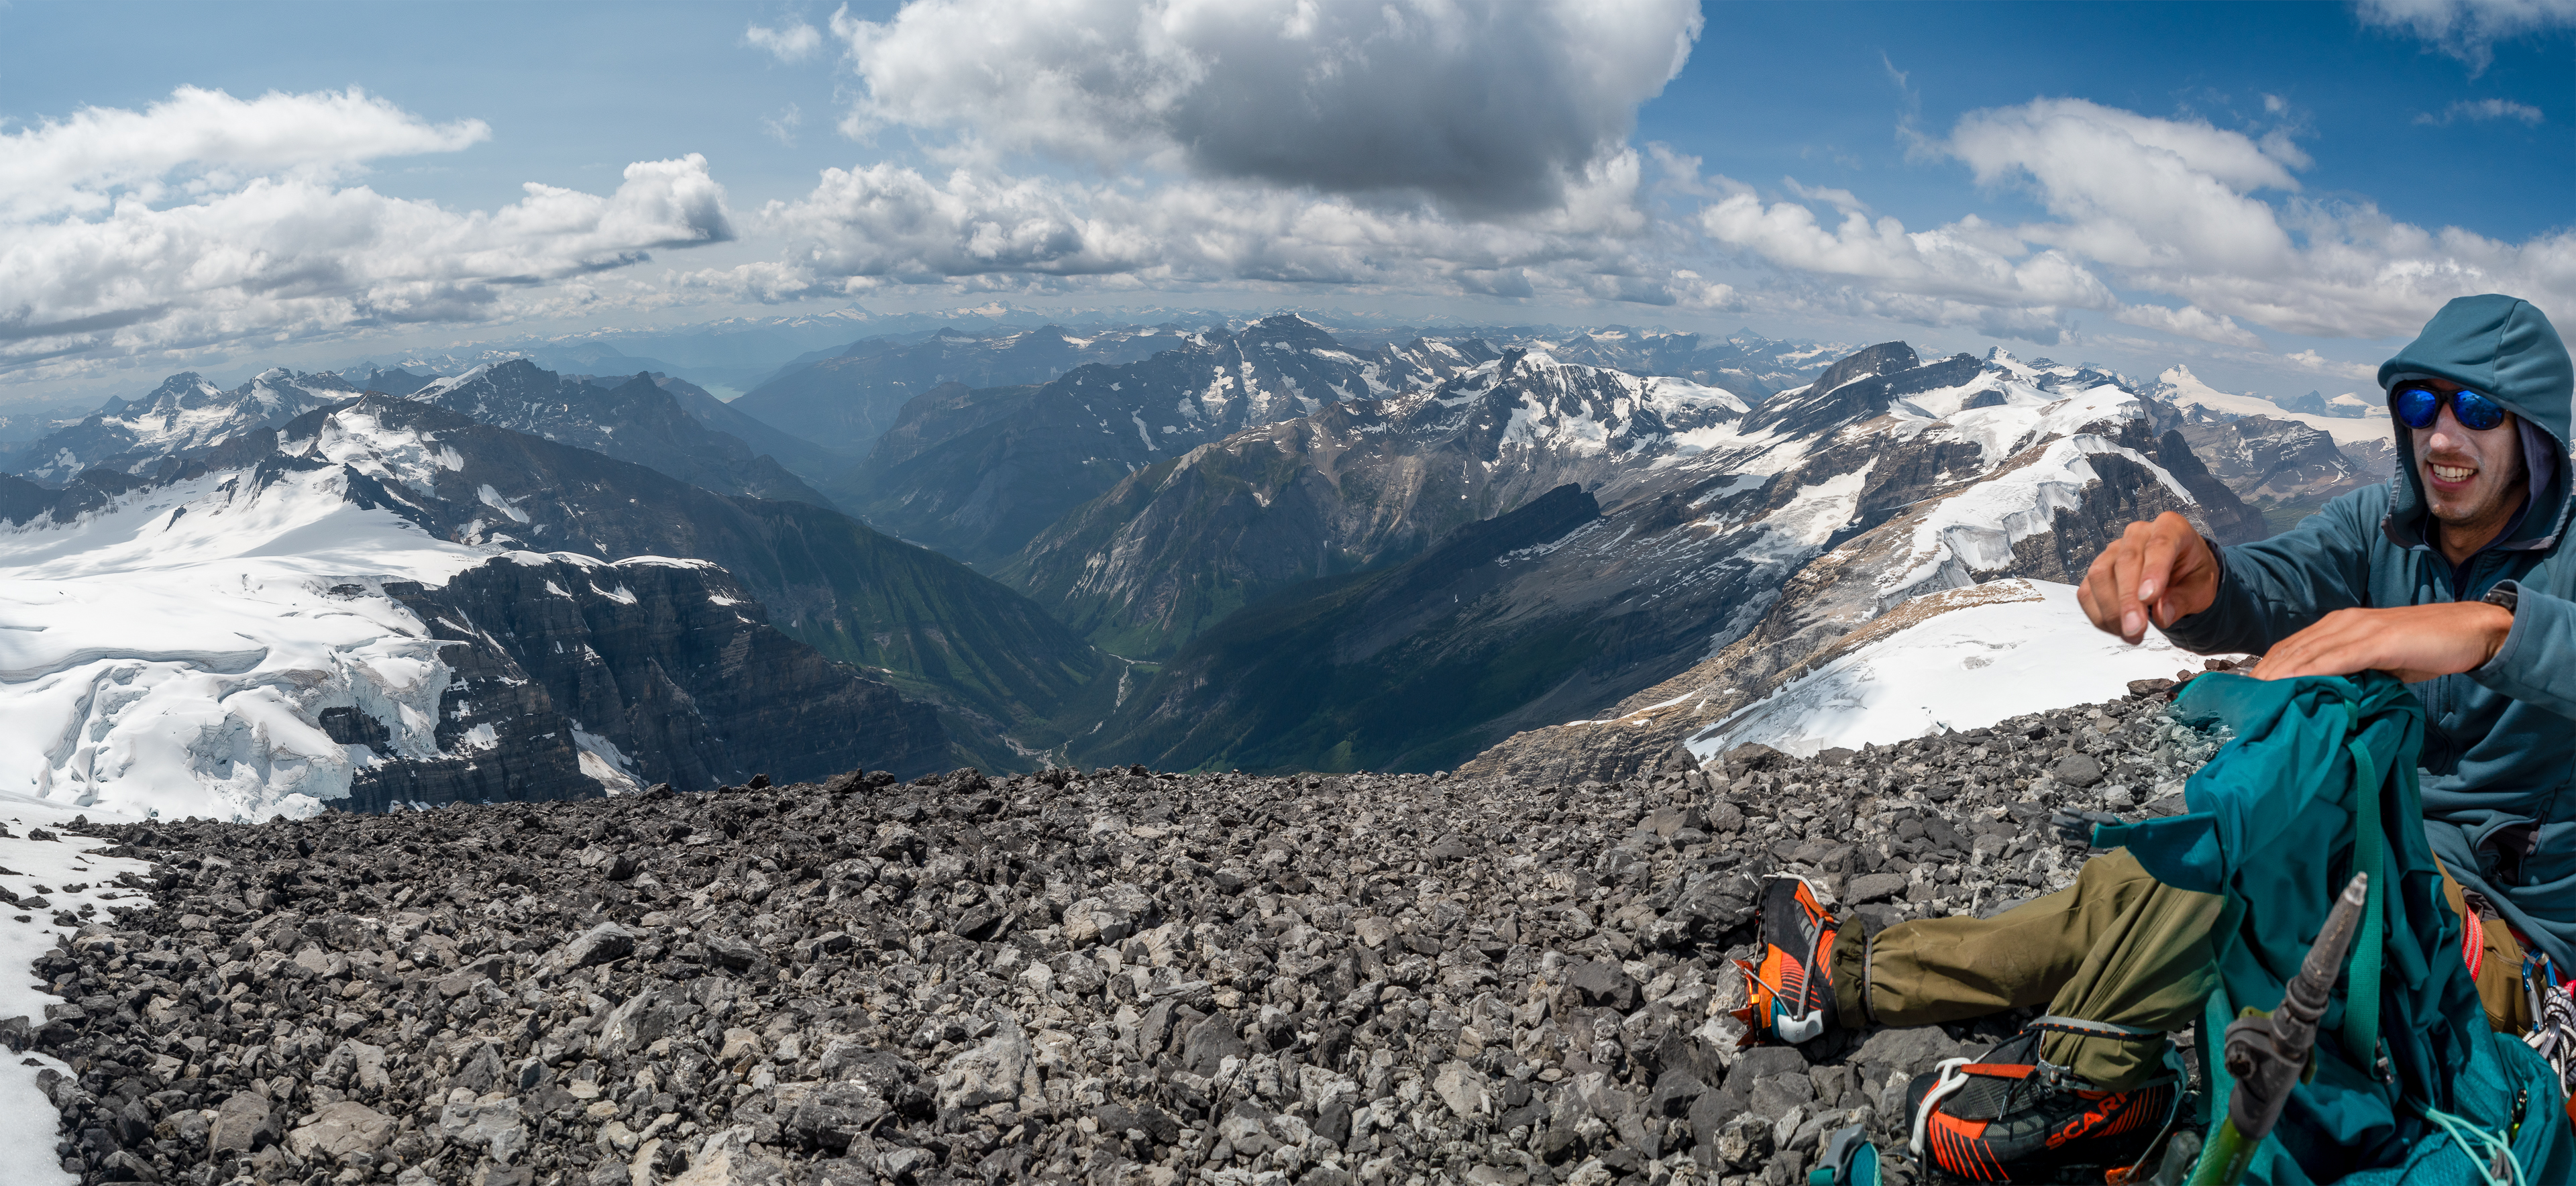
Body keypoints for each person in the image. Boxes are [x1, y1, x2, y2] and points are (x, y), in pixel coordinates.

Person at [1733, 294, 2574, 1177]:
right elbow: (2274, 581)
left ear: (2535, 432)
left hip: (2505, 947)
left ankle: (2088, 1088)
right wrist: (2203, 578)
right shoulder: (2381, 526)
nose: (2443, 437)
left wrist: (2491, 628)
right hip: (2383, 863)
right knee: (2138, 881)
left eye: (2479, 410)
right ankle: (1848, 979)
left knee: (2260, 843)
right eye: (2420, 405)